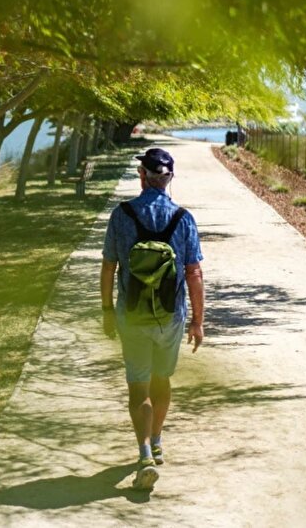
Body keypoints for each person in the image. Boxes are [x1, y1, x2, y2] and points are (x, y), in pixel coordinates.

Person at [100, 147, 205, 491]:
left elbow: (108, 266)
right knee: (162, 379)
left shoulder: (122, 215)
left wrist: (106, 311)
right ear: (169, 178)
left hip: (131, 317)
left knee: (138, 387)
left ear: (142, 175)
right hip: (171, 317)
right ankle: (157, 440)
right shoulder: (183, 219)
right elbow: (194, 274)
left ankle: (144, 452)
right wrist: (198, 322)